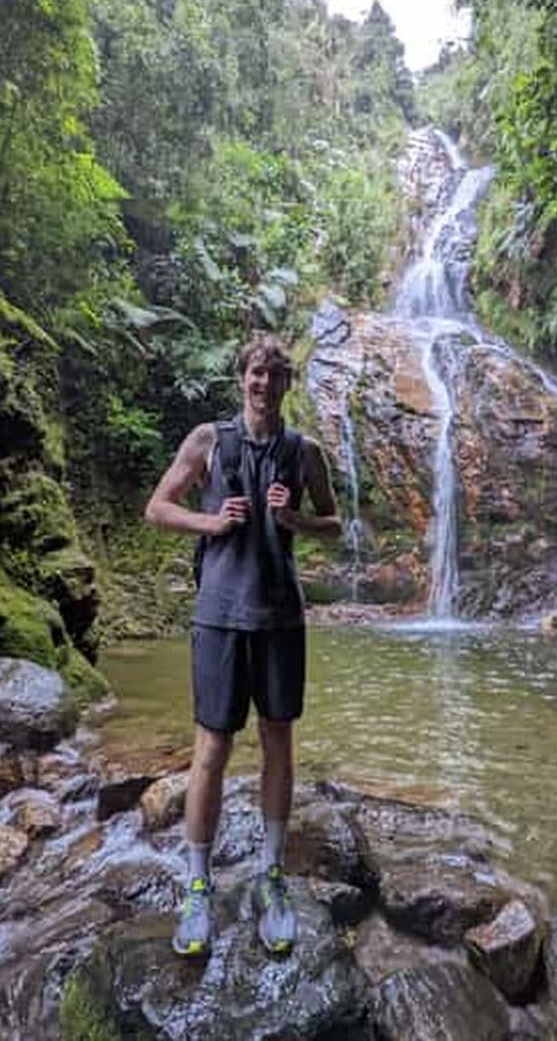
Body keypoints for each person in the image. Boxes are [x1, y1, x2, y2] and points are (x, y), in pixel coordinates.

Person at [144, 334, 341, 956]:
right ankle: (198, 884)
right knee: (212, 748)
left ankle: (271, 874)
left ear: (286, 385)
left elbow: (335, 525)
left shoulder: (304, 452)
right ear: (242, 379)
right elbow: (158, 508)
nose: (264, 384)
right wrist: (212, 522)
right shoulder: (209, 440)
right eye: (256, 373)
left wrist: (295, 520)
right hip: (220, 617)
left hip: (281, 617)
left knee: (279, 740)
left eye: (275, 375)